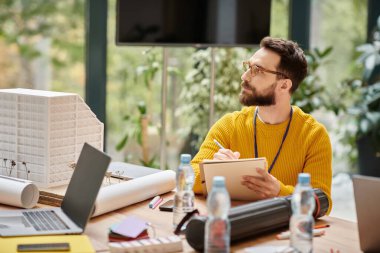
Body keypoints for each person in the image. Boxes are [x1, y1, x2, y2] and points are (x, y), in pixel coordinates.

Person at [191, 37, 332, 213]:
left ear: (284, 85)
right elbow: (189, 177)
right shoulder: (229, 125)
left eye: (257, 70)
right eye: (248, 67)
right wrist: (213, 170)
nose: (245, 76)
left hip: (285, 232)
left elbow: (322, 202)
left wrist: (279, 192)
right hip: (235, 223)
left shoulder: (314, 135)